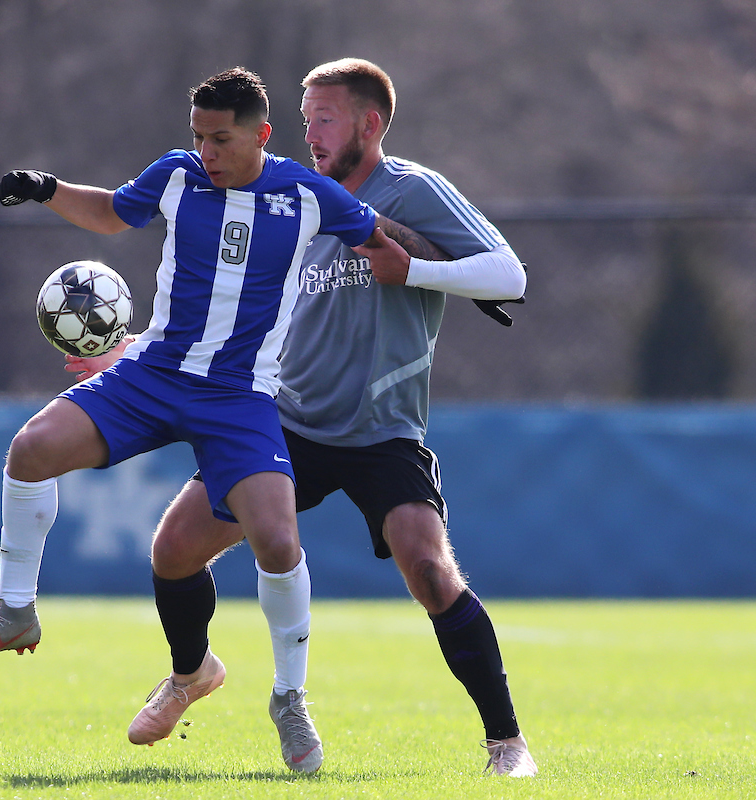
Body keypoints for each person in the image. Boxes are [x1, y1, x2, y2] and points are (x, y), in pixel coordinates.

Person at [0, 67, 434, 774]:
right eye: (199, 136)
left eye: (222, 139)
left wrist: (444, 279)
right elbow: (112, 212)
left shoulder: (305, 194)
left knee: (276, 538)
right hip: (153, 376)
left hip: (240, 397)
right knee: (30, 449)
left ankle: (289, 698)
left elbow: (383, 242)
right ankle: (16, 609)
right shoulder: (177, 175)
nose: (207, 150)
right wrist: (48, 190)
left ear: (262, 135)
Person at [66, 58, 536, 777]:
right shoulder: (284, 194)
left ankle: (507, 744)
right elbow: (224, 307)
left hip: (383, 432)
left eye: (326, 117)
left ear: (369, 124)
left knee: (432, 572)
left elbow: (510, 277)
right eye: (305, 115)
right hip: (283, 420)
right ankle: (191, 674)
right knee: (174, 550)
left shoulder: (409, 190)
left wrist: (414, 271)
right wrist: (132, 355)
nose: (310, 132)